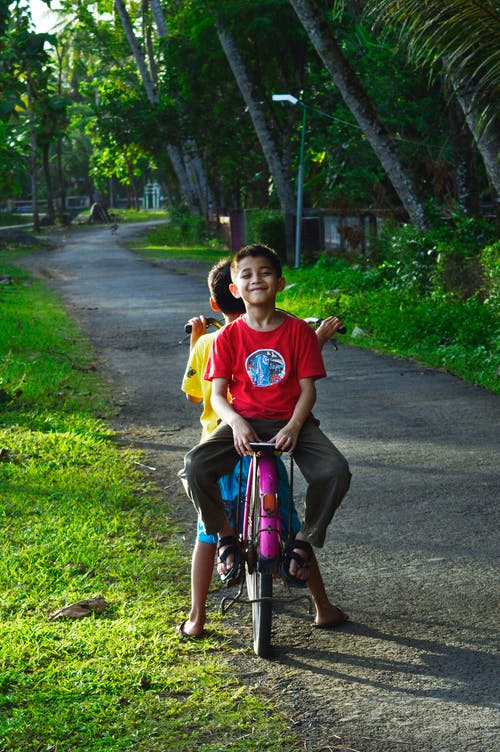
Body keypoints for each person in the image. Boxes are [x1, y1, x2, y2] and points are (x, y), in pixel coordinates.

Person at [181, 247, 351, 635]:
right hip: (243, 422)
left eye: (265, 272)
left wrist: (294, 425)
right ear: (235, 288)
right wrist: (238, 424)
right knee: (195, 467)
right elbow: (219, 396)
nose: (256, 279)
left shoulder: (297, 332)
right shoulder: (226, 338)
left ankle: (305, 541)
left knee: (336, 470)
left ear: (280, 283)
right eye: (246, 274)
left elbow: (307, 390)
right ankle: (225, 536)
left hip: (293, 422)